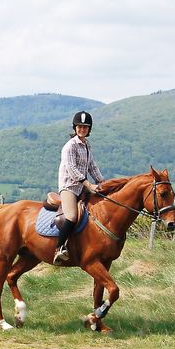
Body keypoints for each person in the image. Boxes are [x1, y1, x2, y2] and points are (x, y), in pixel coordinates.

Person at [55, 111, 104, 264]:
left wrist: (103, 183)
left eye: (85, 127)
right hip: (69, 187)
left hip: (82, 187)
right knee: (71, 216)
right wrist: (89, 184)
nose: (82, 129)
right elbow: (71, 168)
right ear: (75, 128)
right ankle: (59, 248)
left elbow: (92, 166)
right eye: (79, 127)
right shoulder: (70, 146)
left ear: (89, 129)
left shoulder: (87, 145)